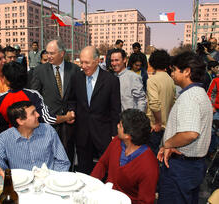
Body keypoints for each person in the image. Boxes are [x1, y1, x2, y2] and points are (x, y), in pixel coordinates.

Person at [157, 51, 213, 204]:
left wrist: (167, 144)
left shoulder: (190, 97)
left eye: (174, 70)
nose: (172, 74)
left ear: (187, 71)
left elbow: (190, 133)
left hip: (182, 168)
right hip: (192, 165)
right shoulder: (199, 93)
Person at [0, 101, 70, 189]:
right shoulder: (4, 138)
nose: (38, 115)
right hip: (20, 188)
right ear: (20, 121)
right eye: (33, 113)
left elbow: (63, 161)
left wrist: (52, 181)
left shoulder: (48, 131)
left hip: (48, 186)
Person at [68, 46, 121, 174]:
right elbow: (71, 100)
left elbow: (115, 109)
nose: (83, 66)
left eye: (87, 62)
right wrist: (71, 110)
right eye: (81, 62)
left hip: (103, 133)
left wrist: (114, 133)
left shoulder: (111, 80)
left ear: (97, 61)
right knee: (83, 170)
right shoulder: (76, 78)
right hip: (82, 133)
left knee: (106, 168)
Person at [91, 109, 159, 204]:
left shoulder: (149, 166)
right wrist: (90, 185)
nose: (117, 125)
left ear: (128, 136)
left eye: (121, 125)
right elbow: (102, 163)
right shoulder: (117, 142)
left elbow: (145, 201)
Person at [31, 39, 80, 167]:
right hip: (48, 123)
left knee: (67, 154)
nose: (48, 56)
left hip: (69, 123)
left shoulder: (74, 69)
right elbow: (35, 97)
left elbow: (76, 95)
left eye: (52, 53)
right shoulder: (39, 71)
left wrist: (72, 111)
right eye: (47, 53)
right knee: (48, 157)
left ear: (62, 53)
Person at [0, 61, 75, 128]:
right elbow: (47, 119)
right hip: (34, 137)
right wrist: (66, 117)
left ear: (7, 80)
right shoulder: (33, 95)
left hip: (12, 138)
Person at [146, 50, 176, 155]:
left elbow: (154, 104)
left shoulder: (152, 80)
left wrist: (157, 122)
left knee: (150, 156)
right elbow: (173, 102)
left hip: (154, 126)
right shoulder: (171, 80)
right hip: (166, 126)